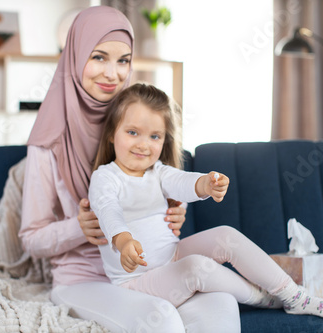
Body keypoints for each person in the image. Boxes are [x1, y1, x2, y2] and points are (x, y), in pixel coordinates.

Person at [19, 6, 240, 333]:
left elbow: (163, 189)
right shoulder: (47, 142)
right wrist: (84, 227)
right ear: (75, 55)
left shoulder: (136, 124)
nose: (112, 73)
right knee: (161, 318)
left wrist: (171, 214)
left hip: (151, 271)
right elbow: (31, 239)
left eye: (123, 60)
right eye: (98, 57)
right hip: (84, 280)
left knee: (222, 303)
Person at [88, 83, 323, 322]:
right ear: (112, 134)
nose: (144, 144)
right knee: (196, 268)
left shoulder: (158, 172)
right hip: (137, 281)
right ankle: (266, 299)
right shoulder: (105, 177)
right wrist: (123, 242)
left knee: (226, 235)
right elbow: (108, 210)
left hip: (172, 255)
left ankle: (294, 294)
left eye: (155, 137)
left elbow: (182, 181)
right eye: (133, 132)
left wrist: (206, 184)